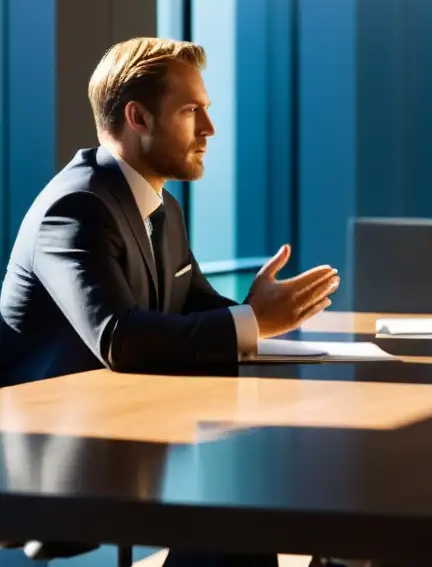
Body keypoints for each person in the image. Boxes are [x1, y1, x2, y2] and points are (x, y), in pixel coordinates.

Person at [0, 37, 340, 388]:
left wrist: (263, 311)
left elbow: (192, 306)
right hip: (47, 427)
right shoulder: (75, 207)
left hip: (124, 411)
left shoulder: (163, 206)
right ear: (138, 118)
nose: (209, 128)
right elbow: (119, 338)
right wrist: (252, 320)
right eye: (191, 110)